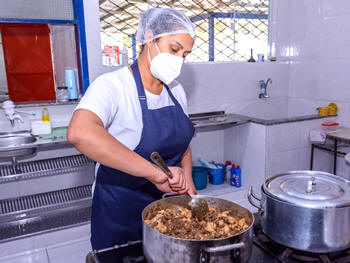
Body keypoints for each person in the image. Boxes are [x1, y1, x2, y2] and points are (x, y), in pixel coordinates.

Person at [67, 8, 197, 250]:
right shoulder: (112, 85)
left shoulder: (176, 91)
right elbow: (80, 133)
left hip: (166, 211)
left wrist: (187, 180)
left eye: (185, 54)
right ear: (149, 38)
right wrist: (154, 172)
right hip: (118, 212)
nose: (179, 60)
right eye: (174, 48)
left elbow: (183, 147)